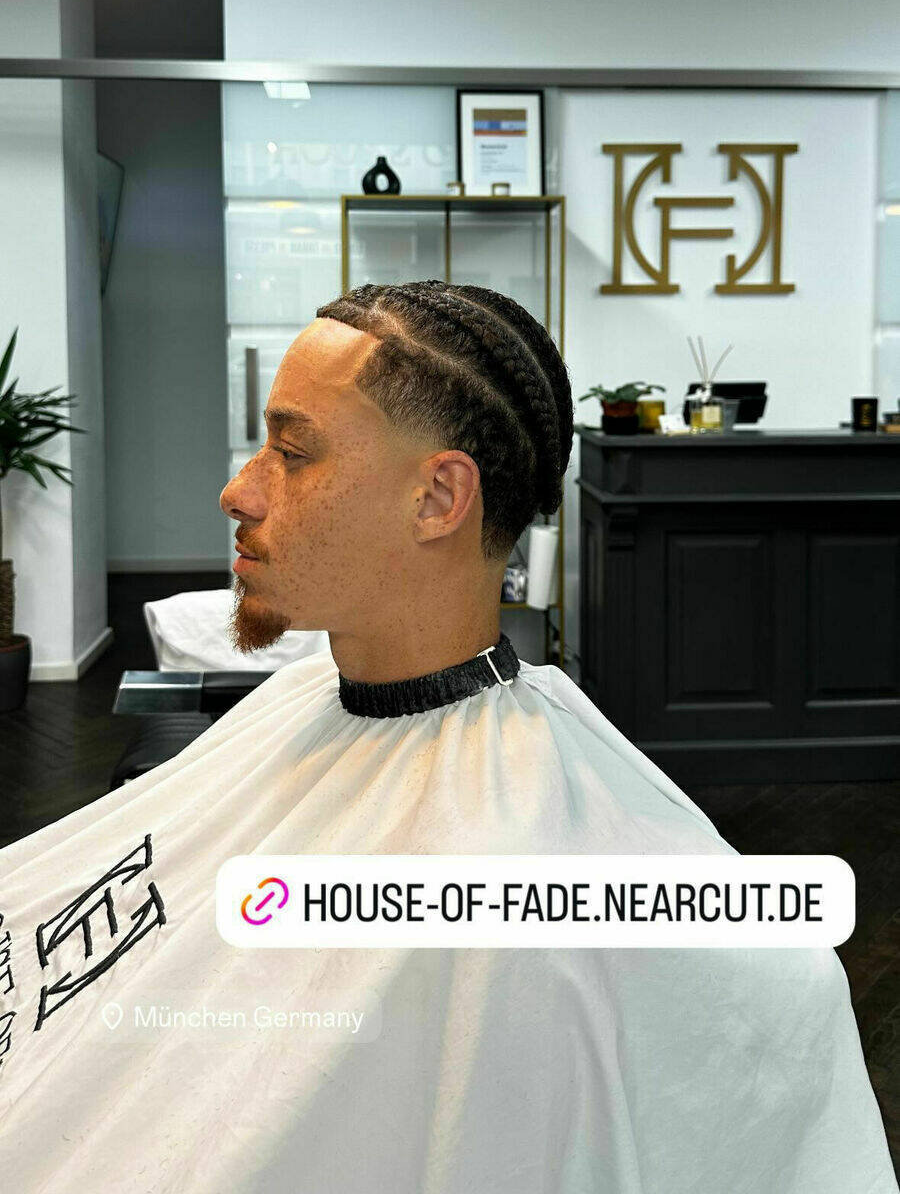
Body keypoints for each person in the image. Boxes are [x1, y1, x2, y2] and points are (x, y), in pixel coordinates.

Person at [0, 279, 896, 1193]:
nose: (239, 491)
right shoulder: (304, 698)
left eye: (293, 454)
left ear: (437, 498)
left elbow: (776, 1009)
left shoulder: (510, 884)